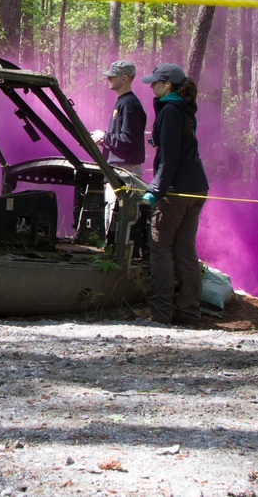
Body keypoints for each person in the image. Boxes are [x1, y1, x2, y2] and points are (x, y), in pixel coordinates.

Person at [139, 63, 209, 327]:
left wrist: (154, 191)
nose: (151, 86)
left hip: (176, 190)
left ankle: (160, 314)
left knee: (160, 248)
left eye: (155, 82)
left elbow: (170, 157)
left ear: (167, 85)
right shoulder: (184, 107)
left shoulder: (169, 110)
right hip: (197, 187)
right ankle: (189, 313)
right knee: (185, 250)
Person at [91, 60, 147, 176]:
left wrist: (103, 138)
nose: (108, 79)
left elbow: (128, 140)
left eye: (112, 76)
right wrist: (101, 138)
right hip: (119, 170)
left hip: (125, 172)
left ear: (124, 79)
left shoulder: (129, 104)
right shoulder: (124, 102)